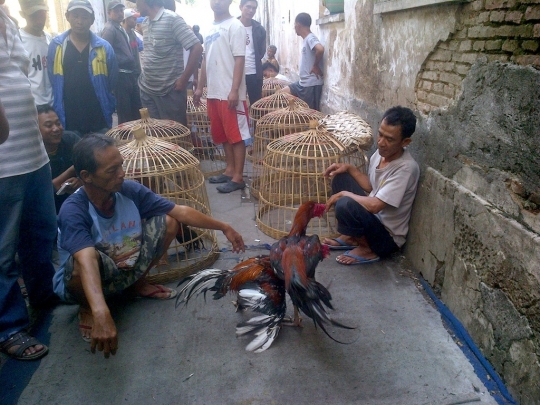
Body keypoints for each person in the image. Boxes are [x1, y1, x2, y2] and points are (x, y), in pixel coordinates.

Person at [53, 134, 245, 358]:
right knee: (82, 261)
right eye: (111, 170)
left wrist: (223, 226)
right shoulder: (73, 209)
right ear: (86, 176)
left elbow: (179, 211)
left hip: (123, 267)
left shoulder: (128, 190)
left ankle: (137, 283)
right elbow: (85, 260)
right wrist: (100, 311)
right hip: (86, 281)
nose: (121, 174)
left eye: (121, 166)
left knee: (169, 222)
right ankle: (87, 308)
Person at [0, 1, 57, 361]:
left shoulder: (6, 20)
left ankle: (43, 295)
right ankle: (8, 326)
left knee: (41, 235)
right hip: (3, 164)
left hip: (33, 155)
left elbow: (20, 74)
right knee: (3, 253)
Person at [323, 106, 420, 265]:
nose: (381, 142)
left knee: (345, 203)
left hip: (386, 238)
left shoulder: (406, 168)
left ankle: (368, 248)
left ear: (405, 142)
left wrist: (345, 194)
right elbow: (372, 186)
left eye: (389, 139)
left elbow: (375, 205)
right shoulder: (381, 153)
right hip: (373, 221)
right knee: (341, 178)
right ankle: (352, 237)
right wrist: (350, 168)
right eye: (380, 134)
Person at [194, 0, 249, 194]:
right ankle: (229, 170)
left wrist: (234, 89)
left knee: (236, 135)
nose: (217, 2)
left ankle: (238, 177)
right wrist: (200, 87)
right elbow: (206, 60)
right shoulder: (210, 29)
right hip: (214, 92)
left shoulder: (235, 26)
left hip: (230, 93)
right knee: (223, 135)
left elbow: (240, 59)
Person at [48, 0, 117, 135]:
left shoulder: (104, 48)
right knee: (75, 154)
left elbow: (112, 81)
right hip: (69, 118)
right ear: (67, 17)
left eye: (85, 17)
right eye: (75, 16)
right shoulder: (57, 46)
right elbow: (52, 79)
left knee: (100, 154)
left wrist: (108, 104)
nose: (80, 21)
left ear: (92, 20)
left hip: (99, 117)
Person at [136, 0, 203, 126]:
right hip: (147, 89)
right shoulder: (145, 22)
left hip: (169, 91)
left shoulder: (172, 19)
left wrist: (184, 79)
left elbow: (197, 48)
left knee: (174, 135)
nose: (136, 4)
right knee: (155, 135)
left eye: (137, 1)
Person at [101, 1, 142, 124]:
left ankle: (137, 139)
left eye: (121, 10)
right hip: (121, 76)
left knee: (136, 108)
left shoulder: (119, 28)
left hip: (130, 74)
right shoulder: (109, 29)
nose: (119, 13)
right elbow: (105, 54)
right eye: (116, 11)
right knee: (125, 112)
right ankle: (126, 139)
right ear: (109, 13)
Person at [37, 104, 82, 213]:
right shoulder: (32, 154)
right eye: (48, 125)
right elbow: (43, 193)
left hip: (77, 202)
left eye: (58, 123)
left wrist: (81, 180)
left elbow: (92, 160)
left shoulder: (71, 140)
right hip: (48, 210)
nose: (56, 129)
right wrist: (71, 171)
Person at [282, 13, 324, 111]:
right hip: (302, 83)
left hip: (310, 84)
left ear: (298, 25)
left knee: (309, 114)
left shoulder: (310, 38)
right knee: (281, 93)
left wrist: (315, 65)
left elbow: (320, 49)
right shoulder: (306, 39)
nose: (294, 28)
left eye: (294, 25)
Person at [18, 0, 53, 105]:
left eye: (42, 14)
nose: (39, 20)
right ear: (23, 14)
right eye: (33, 15)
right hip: (33, 105)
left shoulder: (50, 40)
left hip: (53, 104)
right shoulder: (18, 40)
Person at [238, 0, 265, 105]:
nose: (251, 10)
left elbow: (261, 51)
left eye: (254, 8)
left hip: (254, 72)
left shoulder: (259, 29)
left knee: (256, 104)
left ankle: (255, 122)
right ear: (241, 7)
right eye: (248, 7)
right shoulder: (232, 26)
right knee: (237, 104)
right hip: (237, 73)